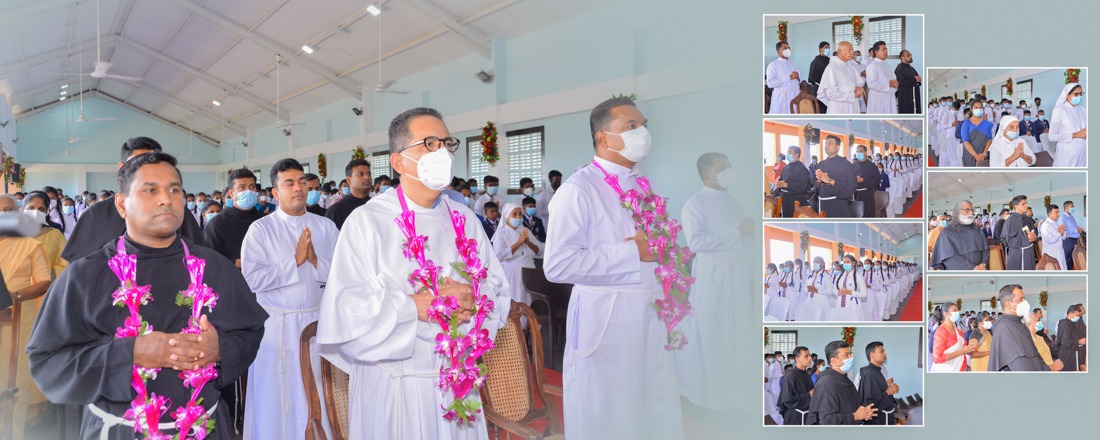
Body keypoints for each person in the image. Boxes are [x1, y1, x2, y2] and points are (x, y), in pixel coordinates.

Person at [26, 152, 268, 440]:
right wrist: (130, 354)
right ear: (122, 204)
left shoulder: (214, 266)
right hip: (121, 431)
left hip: (204, 428)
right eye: (151, 190)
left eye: (174, 190)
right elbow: (49, 364)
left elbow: (249, 333)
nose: (166, 199)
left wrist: (220, 349)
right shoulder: (85, 275)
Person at [316, 107, 510, 439]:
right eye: (429, 144)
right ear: (399, 162)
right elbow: (346, 313)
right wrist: (414, 306)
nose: (443, 153)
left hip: (457, 381)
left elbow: (498, 289)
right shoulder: (367, 222)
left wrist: (473, 299)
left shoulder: (464, 218)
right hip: (396, 388)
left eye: (447, 144)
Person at [544, 97, 683, 438]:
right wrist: (631, 252)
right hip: (608, 317)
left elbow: (655, 248)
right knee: (612, 413)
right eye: (632, 126)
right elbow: (558, 265)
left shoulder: (644, 186)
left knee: (652, 406)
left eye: (643, 125)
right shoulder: (578, 189)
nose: (643, 133)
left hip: (649, 312)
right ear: (603, 138)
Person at [241, 159, 340, 440]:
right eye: (289, 183)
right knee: (275, 399)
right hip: (276, 327)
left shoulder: (325, 227)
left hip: (317, 323)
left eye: (302, 182)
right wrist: (293, 263)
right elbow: (251, 280)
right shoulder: (261, 230)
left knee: (316, 396)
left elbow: (344, 276)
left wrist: (316, 261)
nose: (299, 188)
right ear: (275, 192)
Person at [677, 152, 747, 411]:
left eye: (729, 165)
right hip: (713, 276)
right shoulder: (694, 204)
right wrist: (737, 232)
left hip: (736, 275)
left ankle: (737, 397)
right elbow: (696, 242)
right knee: (712, 331)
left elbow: (744, 235)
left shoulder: (733, 201)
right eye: (722, 167)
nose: (729, 170)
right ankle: (710, 398)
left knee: (738, 331)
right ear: (708, 175)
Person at [62, 138, 206, 262]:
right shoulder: (96, 214)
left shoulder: (176, 212)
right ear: (121, 167)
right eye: (137, 163)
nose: (146, 170)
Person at [0, 195, 53, 436]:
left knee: (16, 380)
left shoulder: (29, 244)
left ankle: (14, 433)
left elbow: (44, 281)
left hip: (19, 317)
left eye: (9, 209)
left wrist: (16, 296)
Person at [203, 168, 266, 269]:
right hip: (231, 277)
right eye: (242, 187)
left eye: (252, 187)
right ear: (231, 193)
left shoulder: (264, 220)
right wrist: (236, 263)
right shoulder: (217, 224)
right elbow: (207, 259)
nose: (248, 191)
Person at [807, 341, 877, 425]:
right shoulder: (826, 382)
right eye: (846, 355)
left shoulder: (844, 378)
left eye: (850, 354)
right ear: (833, 360)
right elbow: (827, 420)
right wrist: (856, 416)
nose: (850, 357)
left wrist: (864, 413)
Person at [491, 202, 542, 310]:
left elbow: (539, 251)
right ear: (507, 216)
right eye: (514, 214)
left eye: (520, 214)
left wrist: (528, 243)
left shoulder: (525, 231)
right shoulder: (501, 234)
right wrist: (519, 242)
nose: (518, 217)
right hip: (513, 273)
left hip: (529, 271)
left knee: (529, 300)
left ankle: (529, 321)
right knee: (516, 299)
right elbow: (499, 256)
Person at [987, 284, 1049, 371]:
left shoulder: (1020, 323)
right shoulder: (1004, 328)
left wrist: (1047, 370)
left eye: (1024, 299)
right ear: (1008, 304)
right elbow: (1019, 365)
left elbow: (1035, 353)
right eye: (1020, 299)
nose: (1024, 302)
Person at [21, 192, 69, 279]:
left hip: (48, 284)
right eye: (31, 208)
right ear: (23, 210)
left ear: (46, 212)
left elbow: (66, 262)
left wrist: (46, 273)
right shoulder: (11, 235)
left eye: (41, 209)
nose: (36, 212)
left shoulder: (55, 234)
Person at [930, 201, 989, 270]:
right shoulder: (947, 233)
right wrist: (973, 268)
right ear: (957, 213)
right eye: (967, 210)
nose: (971, 213)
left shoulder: (977, 230)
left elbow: (985, 250)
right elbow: (949, 258)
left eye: (972, 210)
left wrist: (983, 264)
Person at [814, 135, 857, 217]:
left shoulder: (846, 165)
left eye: (830, 143)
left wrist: (829, 180)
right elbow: (815, 187)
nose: (826, 145)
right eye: (826, 143)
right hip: (822, 205)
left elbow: (850, 190)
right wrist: (818, 183)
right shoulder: (821, 164)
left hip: (838, 206)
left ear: (837, 147)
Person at [817, 41, 863, 114]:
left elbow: (859, 85)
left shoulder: (851, 68)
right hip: (839, 107)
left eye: (852, 50)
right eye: (849, 50)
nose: (852, 53)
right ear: (839, 51)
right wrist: (852, 95)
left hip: (853, 106)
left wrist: (859, 90)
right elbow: (831, 94)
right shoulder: (831, 67)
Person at [858, 341, 899, 425]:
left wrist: (888, 387)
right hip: (877, 420)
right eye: (881, 351)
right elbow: (870, 403)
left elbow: (877, 392)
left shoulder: (877, 371)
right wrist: (888, 392)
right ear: (872, 355)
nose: (885, 353)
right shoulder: (869, 373)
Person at [325, 159, 372, 229]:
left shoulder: (376, 205)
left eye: (368, 174)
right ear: (349, 180)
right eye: (360, 174)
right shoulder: (336, 210)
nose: (367, 177)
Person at [1050, 83, 1087, 167]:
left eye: (1081, 93)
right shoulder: (1059, 110)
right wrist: (1076, 135)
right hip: (1067, 155)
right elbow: (1052, 136)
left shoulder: (1083, 109)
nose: (1079, 96)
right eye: (1076, 94)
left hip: (1082, 154)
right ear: (1067, 95)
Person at [778, 346, 815, 425]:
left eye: (810, 355)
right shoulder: (791, 376)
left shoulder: (806, 374)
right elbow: (788, 400)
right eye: (806, 356)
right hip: (795, 417)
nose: (810, 358)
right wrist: (809, 395)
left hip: (807, 415)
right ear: (797, 359)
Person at [931, 302, 972, 372]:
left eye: (957, 310)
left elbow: (963, 344)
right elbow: (937, 358)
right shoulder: (941, 332)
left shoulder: (956, 329)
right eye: (954, 310)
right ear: (946, 314)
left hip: (960, 368)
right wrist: (962, 351)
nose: (958, 313)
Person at [1001, 195, 1036, 271]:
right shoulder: (1010, 220)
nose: (1026, 205)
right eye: (1023, 204)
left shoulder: (1028, 219)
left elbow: (1033, 234)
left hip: (1029, 251)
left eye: (1026, 203)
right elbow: (1010, 241)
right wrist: (1027, 239)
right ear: (1016, 206)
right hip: (1018, 253)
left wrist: (1033, 237)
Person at [774, 145, 811, 217]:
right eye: (787, 152)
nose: (788, 154)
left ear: (796, 154)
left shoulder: (801, 168)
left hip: (796, 201)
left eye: (790, 152)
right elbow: (781, 181)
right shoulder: (785, 167)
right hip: (785, 200)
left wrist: (787, 185)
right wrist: (778, 184)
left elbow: (803, 186)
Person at [766, 41, 800, 114]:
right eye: (785, 48)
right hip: (782, 98)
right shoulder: (773, 65)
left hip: (794, 95)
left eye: (789, 48)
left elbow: (799, 77)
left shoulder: (792, 63)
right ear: (778, 52)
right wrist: (789, 77)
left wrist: (798, 77)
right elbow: (770, 83)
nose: (788, 50)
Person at [864, 41, 897, 114]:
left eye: (886, 49)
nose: (886, 51)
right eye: (883, 49)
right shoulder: (872, 66)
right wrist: (889, 84)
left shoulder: (887, 65)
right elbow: (871, 84)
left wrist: (895, 83)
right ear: (876, 52)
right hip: (878, 98)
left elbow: (893, 78)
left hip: (889, 97)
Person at [1055, 305, 1087, 371]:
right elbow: (1065, 342)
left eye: (1079, 315)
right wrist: (1079, 342)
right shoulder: (1064, 324)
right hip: (1066, 354)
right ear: (1070, 314)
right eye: (1077, 315)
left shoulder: (1071, 323)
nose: (1078, 317)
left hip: (1072, 352)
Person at [852, 145, 879, 218]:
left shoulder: (872, 166)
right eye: (857, 151)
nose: (858, 153)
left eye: (860, 151)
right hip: (855, 194)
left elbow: (876, 182)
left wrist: (863, 180)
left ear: (865, 152)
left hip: (867, 195)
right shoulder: (854, 165)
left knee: (867, 215)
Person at [1039, 204, 1068, 270]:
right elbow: (1049, 240)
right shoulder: (1045, 225)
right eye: (1056, 212)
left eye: (1058, 212)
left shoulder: (1057, 223)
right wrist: (1060, 233)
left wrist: (1063, 232)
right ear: (1049, 214)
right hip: (1051, 252)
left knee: (1062, 268)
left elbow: (1063, 237)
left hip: (1059, 250)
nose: (1058, 214)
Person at [894, 50, 921, 114]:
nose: (911, 56)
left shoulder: (912, 68)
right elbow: (900, 83)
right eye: (908, 55)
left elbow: (917, 80)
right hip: (906, 98)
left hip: (915, 96)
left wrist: (918, 80)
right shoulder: (899, 68)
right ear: (902, 57)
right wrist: (914, 79)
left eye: (911, 55)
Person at [808, 41, 831, 113]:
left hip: (829, 89)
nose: (828, 49)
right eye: (826, 48)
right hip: (819, 89)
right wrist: (822, 81)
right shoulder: (815, 61)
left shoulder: (830, 61)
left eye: (829, 48)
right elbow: (811, 77)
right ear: (820, 49)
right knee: (820, 110)